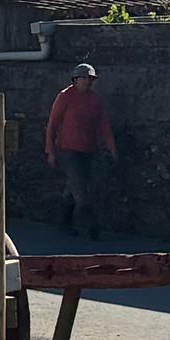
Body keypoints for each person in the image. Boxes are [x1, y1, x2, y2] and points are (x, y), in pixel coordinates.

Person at [43, 61, 118, 235]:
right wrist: (51, 152)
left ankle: (63, 223)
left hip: (88, 150)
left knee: (72, 188)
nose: (88, 82)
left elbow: (103, 124)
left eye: (91, 79)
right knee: (81, 191)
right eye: (85, 78)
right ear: (75, 79)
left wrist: (112, 147)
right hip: (69, 151)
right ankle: (93, 227)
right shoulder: (65, 97)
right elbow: (52, 125)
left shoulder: (95, 100)